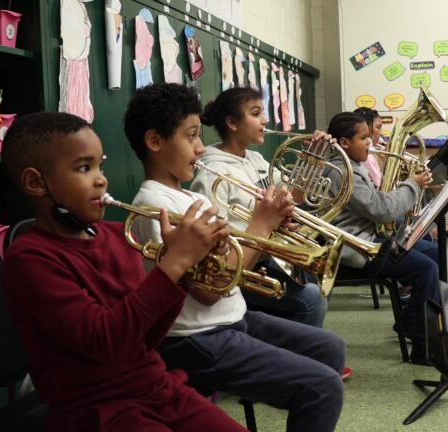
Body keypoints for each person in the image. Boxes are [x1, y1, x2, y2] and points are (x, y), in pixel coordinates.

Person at [0, 111, 247, 432]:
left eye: (100, 164)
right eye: (84, 168)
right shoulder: (29, 259)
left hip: (156, 388)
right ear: (36, 183)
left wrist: (186, 270)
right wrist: (174, 264)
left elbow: (147, 338)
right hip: (94, 410)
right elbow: (105, 342)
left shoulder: (118, 235)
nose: (101, 178)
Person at [124, 83, 346, 432]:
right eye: (191, 136)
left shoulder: (183, 197)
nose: (200, 148)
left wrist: (271, 226)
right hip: (195, 339)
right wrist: (260, 225)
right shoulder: (156, 207)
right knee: (322, 387)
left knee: (330, 347)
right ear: (155, 142)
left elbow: (228, 258)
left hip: (231, 318)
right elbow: (209, 290)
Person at [190, 87, 328, 328]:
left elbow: (295, 195)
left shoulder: (255, 159)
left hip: (266, 254)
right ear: (232, 122)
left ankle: (308, 351)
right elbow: (215, 244)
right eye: (256, 113)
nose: (265, 120)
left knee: (320, 280)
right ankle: (302, 359)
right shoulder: (213, 172)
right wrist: (263, 223)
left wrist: (313, 158)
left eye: (263, 113)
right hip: (242, 263)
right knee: (311, 300)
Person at [324, 111, 441, 365]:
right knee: (426, 269)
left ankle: (410, 323)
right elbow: (380, 209)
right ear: (344, 143)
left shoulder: (351, 166)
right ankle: (424, 348)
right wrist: (412, 185)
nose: (370, 143)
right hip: (357, 248)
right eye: (364, 138)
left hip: (372, 237)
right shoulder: (341, 172)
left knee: (433, 252)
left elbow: (376, 206)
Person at [354, 106, 384, 188]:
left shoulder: (368, 155)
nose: (381, 133)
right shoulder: (367, 157)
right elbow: (382, 187)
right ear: (366, 128)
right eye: (378, 127)